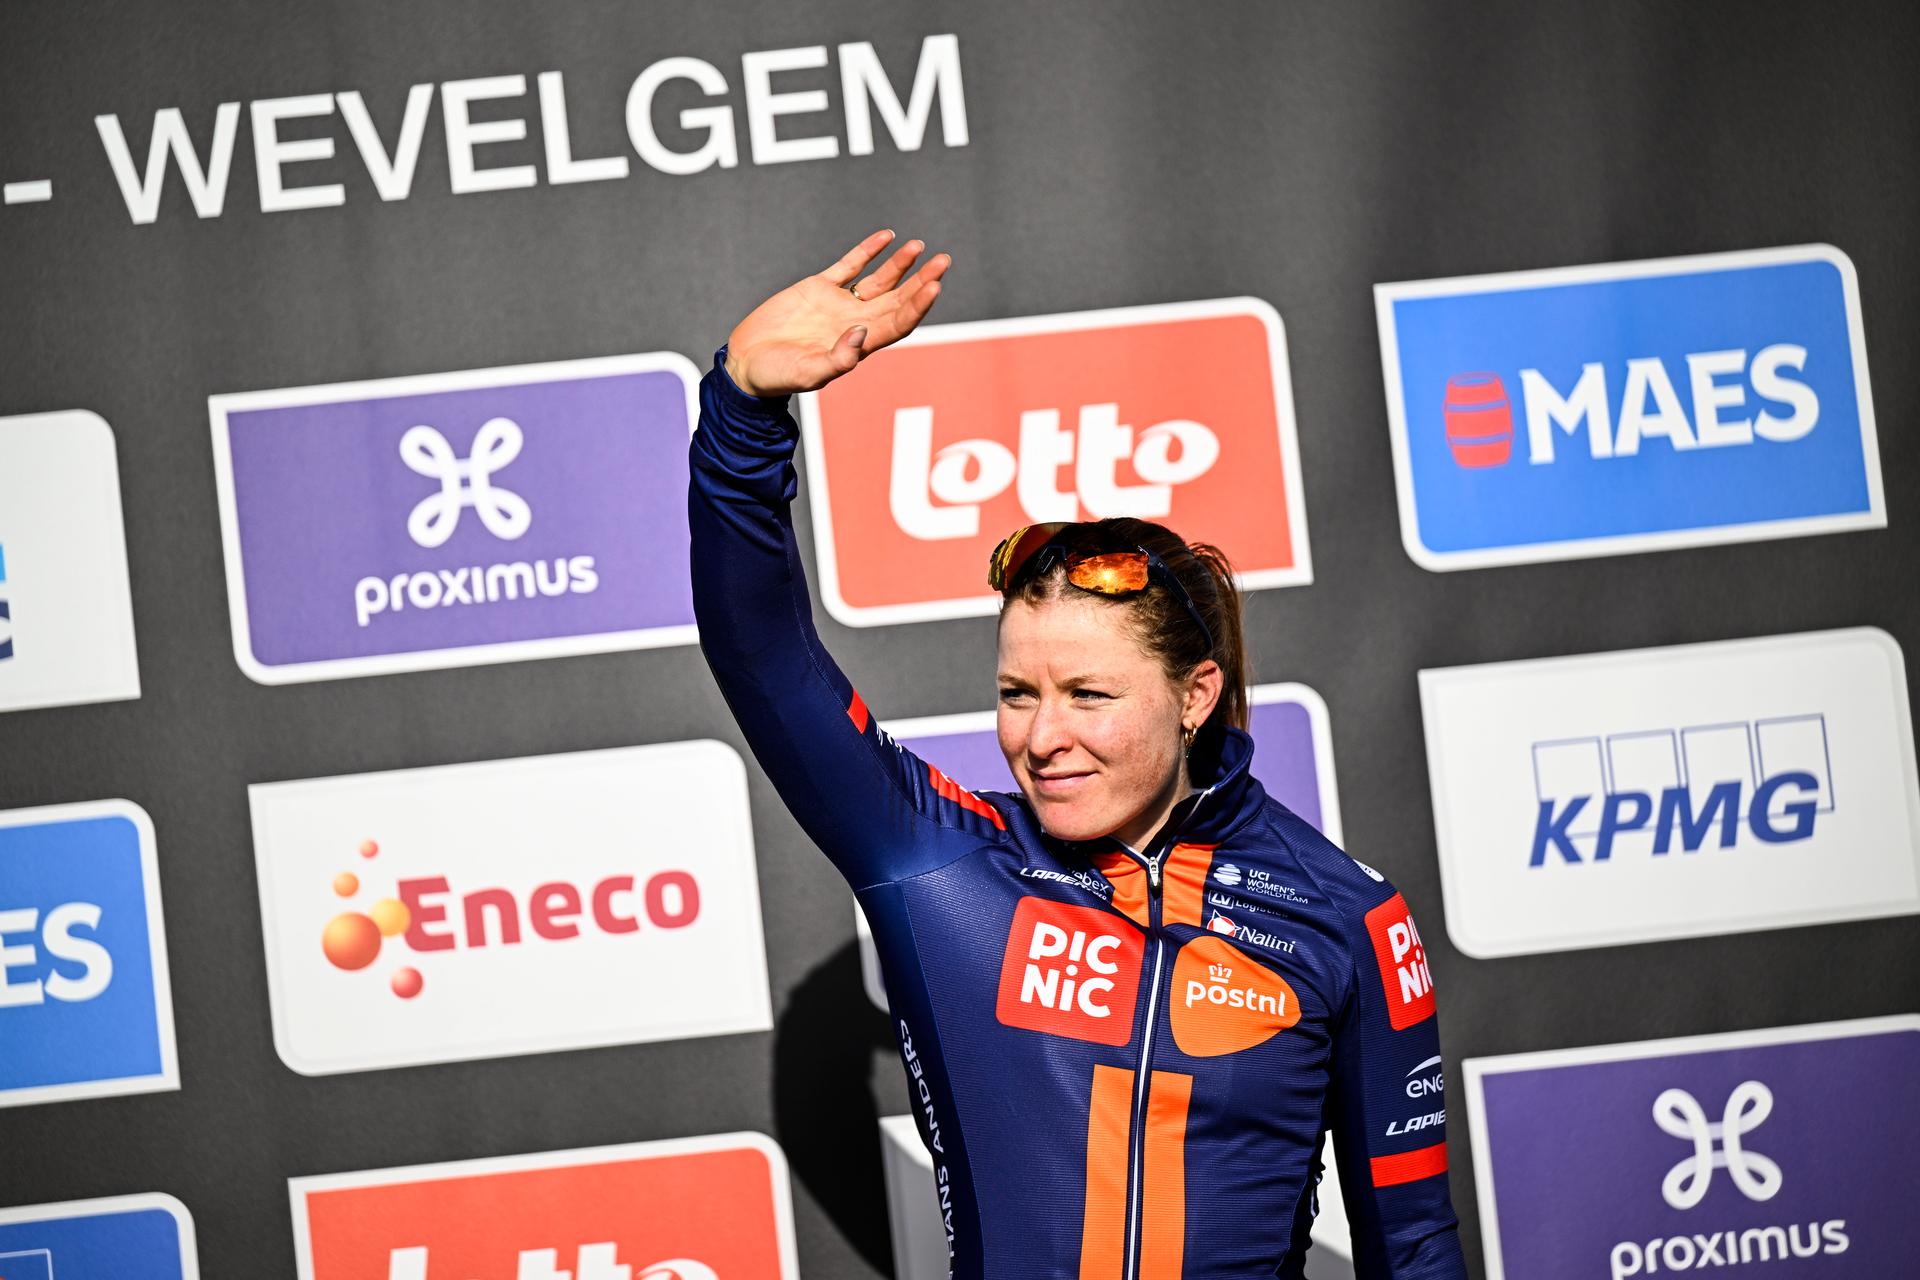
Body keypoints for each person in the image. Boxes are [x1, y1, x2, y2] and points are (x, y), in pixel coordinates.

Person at [689, 230, 1467, 1279]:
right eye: (1017, 692)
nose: (1040, 737)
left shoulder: (1348, 916)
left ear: (1196, 695)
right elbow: (762, 652)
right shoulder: (941, 863)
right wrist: (744, 408)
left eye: (1089, 694)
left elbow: (1414, 1245)